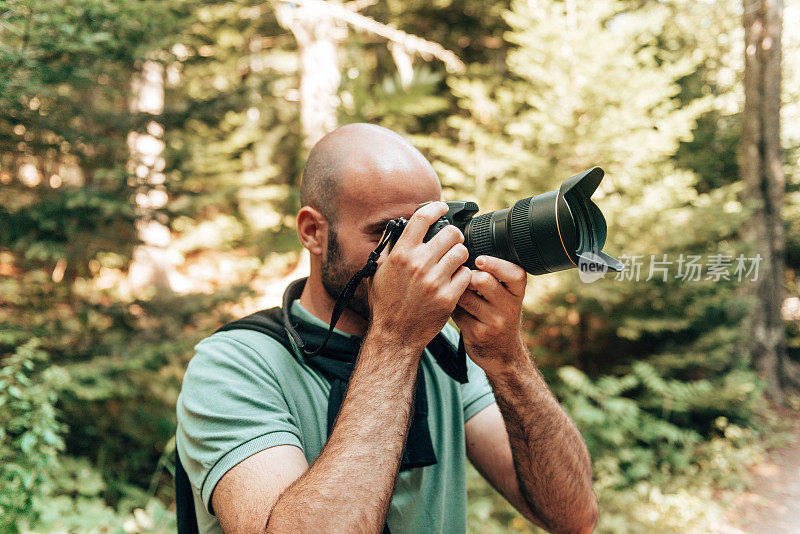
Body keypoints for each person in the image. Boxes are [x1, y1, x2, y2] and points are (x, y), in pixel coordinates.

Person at [176, 123, 598, 534]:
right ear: (312, 232)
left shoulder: (439, 347)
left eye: (427, 230)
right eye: (390, 232)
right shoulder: (233, 366)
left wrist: (508, 362)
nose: (415, 256)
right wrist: (395, 341)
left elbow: (573, 517)